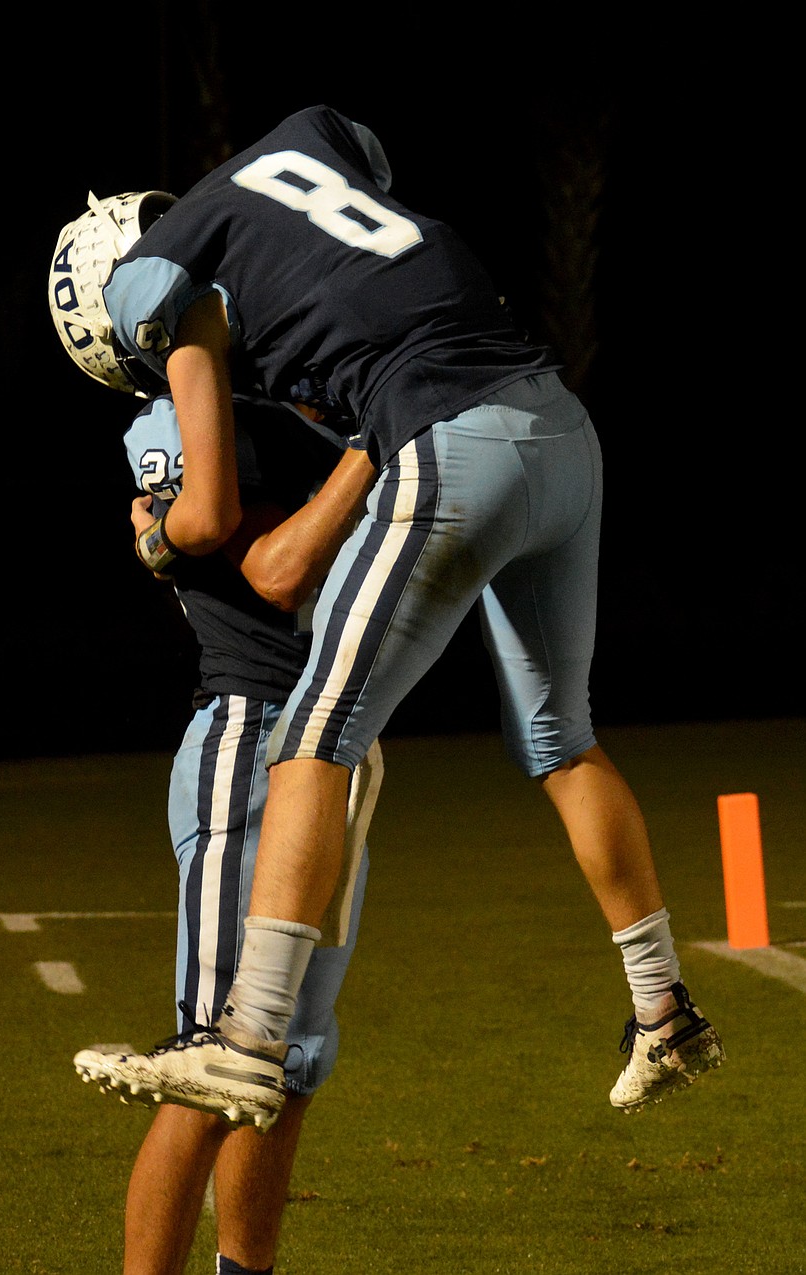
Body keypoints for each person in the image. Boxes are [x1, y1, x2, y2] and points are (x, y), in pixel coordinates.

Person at [48, 105, 724, 1141]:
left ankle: (247, 1035)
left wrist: (153, 536)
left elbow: (211, 513)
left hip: (455, 437)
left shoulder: (153, 291)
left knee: (314, 729)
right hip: (557, 422)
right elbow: (361, 159)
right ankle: (663, 1009)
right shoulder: (295, 148)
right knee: (559, 737)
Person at [75, 380, 381, 1275]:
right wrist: (373, 442)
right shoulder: (183, 416)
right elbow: (266, 556)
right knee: (214, 1058)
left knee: (284, 1066)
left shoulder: (260, 403)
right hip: (254, 732)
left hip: (334, 739)